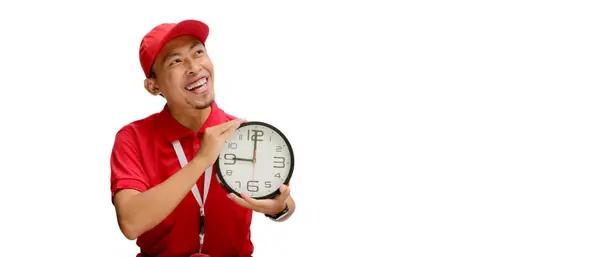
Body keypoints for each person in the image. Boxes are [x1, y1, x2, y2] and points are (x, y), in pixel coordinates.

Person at [109, 19, 296, 257]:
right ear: (153, 86)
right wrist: (202, 159)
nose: (194, 67)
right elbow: (131, 222)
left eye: (198, 52)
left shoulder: (243, 132)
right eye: (176, 61)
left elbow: (284, 200)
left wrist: (279, 209)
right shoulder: (133, 138)